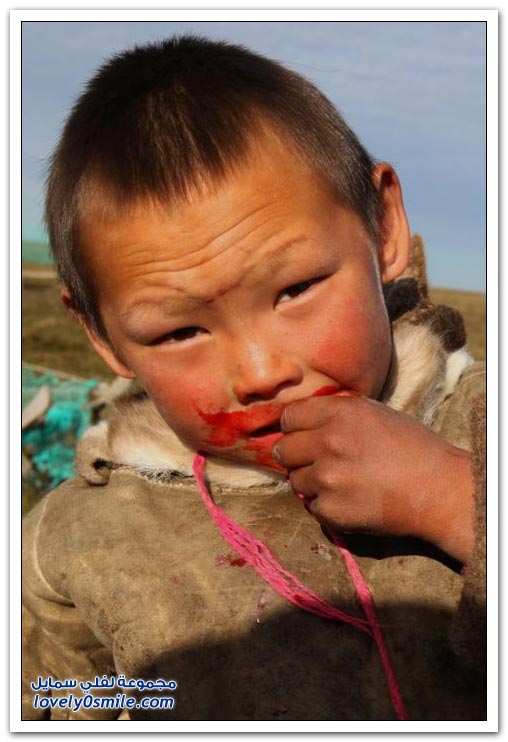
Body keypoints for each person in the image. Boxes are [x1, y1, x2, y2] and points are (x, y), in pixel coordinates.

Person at [22, 35, 486, 722]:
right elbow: (56, 693)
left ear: (383, 227)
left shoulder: (477, 425)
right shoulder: (75, 539)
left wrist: (454, 501)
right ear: (102, 335)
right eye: (180, 332)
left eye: (296, 288)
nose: (262, 372)